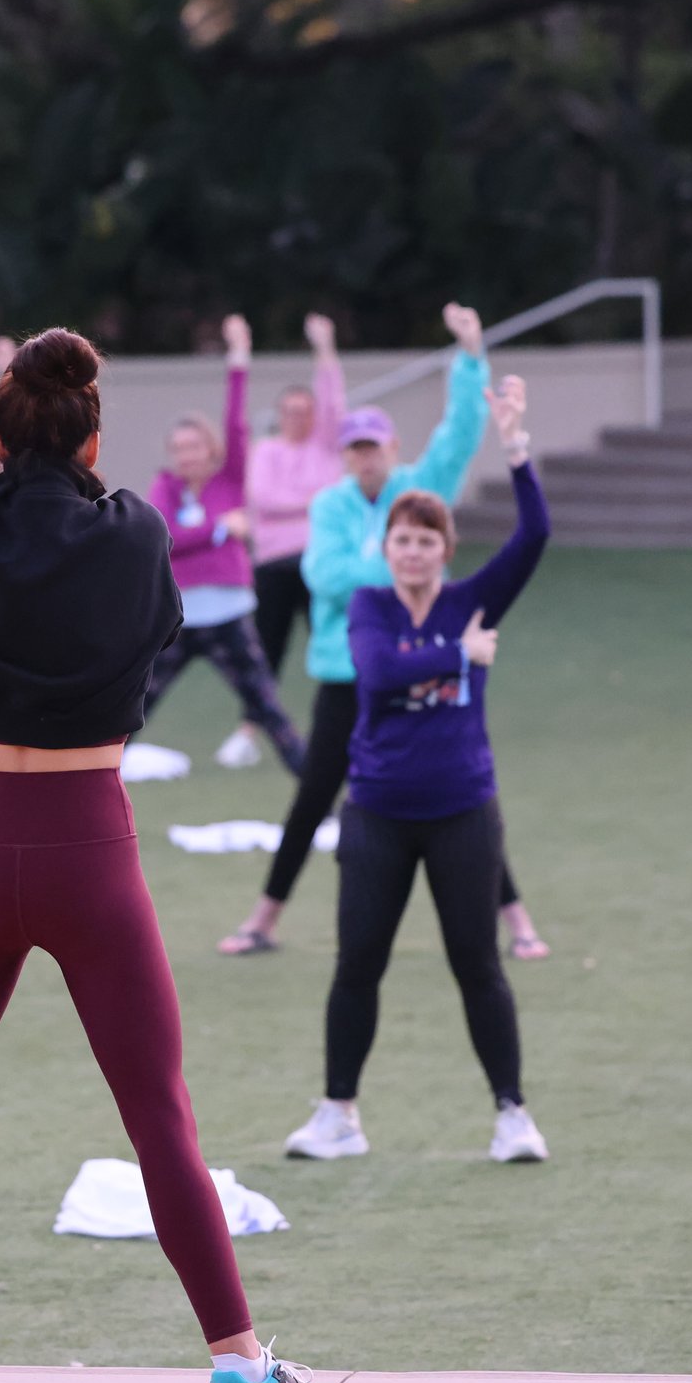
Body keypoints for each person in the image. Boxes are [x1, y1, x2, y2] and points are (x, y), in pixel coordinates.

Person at [0, 95, 337, 1383]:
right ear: (94, 440)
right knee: (157, 1110)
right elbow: (142, 652)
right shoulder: (142, 534)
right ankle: (237, 1366)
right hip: (90, 847)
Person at [283, 376, 551, 1167]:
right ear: (388, 549)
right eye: (402, 539)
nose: (412, 550)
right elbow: (375, 674)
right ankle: (339, 1114)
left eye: (427, 540)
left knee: (478, 964)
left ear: (445, 550)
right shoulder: (369, 607)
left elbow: (534, 534)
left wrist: (517, 444)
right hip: (377, 815)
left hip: (464, 812)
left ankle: (513, 1116)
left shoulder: (473, 599)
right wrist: (456, 653)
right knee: (357, 962)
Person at [221, 305, 543, 961]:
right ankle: (263, 919)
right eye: (355, 449)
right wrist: (404, 560)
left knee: (464, 796)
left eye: (375, 447)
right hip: (348, 674)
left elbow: (458, 432)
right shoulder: (332, 503)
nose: (366, 459)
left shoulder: (420, 487)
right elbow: (328, 575)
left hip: (431, 663)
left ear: (393, 449)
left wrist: (471, 353)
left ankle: (517, 922)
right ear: (344, 455)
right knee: (314, 794)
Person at [139, 314, 305, 772]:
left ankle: (323, 804)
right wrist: (217, 530)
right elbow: (164, 541)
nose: (188, 455)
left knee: (269, 710)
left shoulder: (230, 479)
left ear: (211, 449)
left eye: (196, 446)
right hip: (178, 620)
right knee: (131, 709)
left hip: (230, 616)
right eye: (180, 448)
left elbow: (236, 419)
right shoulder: (166, 487)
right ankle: (83, 794)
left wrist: (239, 357)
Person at [247, 312, 349, 681]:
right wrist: (317, 499)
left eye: (305, 412)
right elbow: (264, 499)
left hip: (319, 559)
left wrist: (325, 347)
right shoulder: (266, 450)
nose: (298, 418)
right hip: (275, 562)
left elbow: (333, 396)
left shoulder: (325, 446)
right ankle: (251, 728)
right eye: (290, 412)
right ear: (279, 415)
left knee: (333, 639)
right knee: (267, 646)